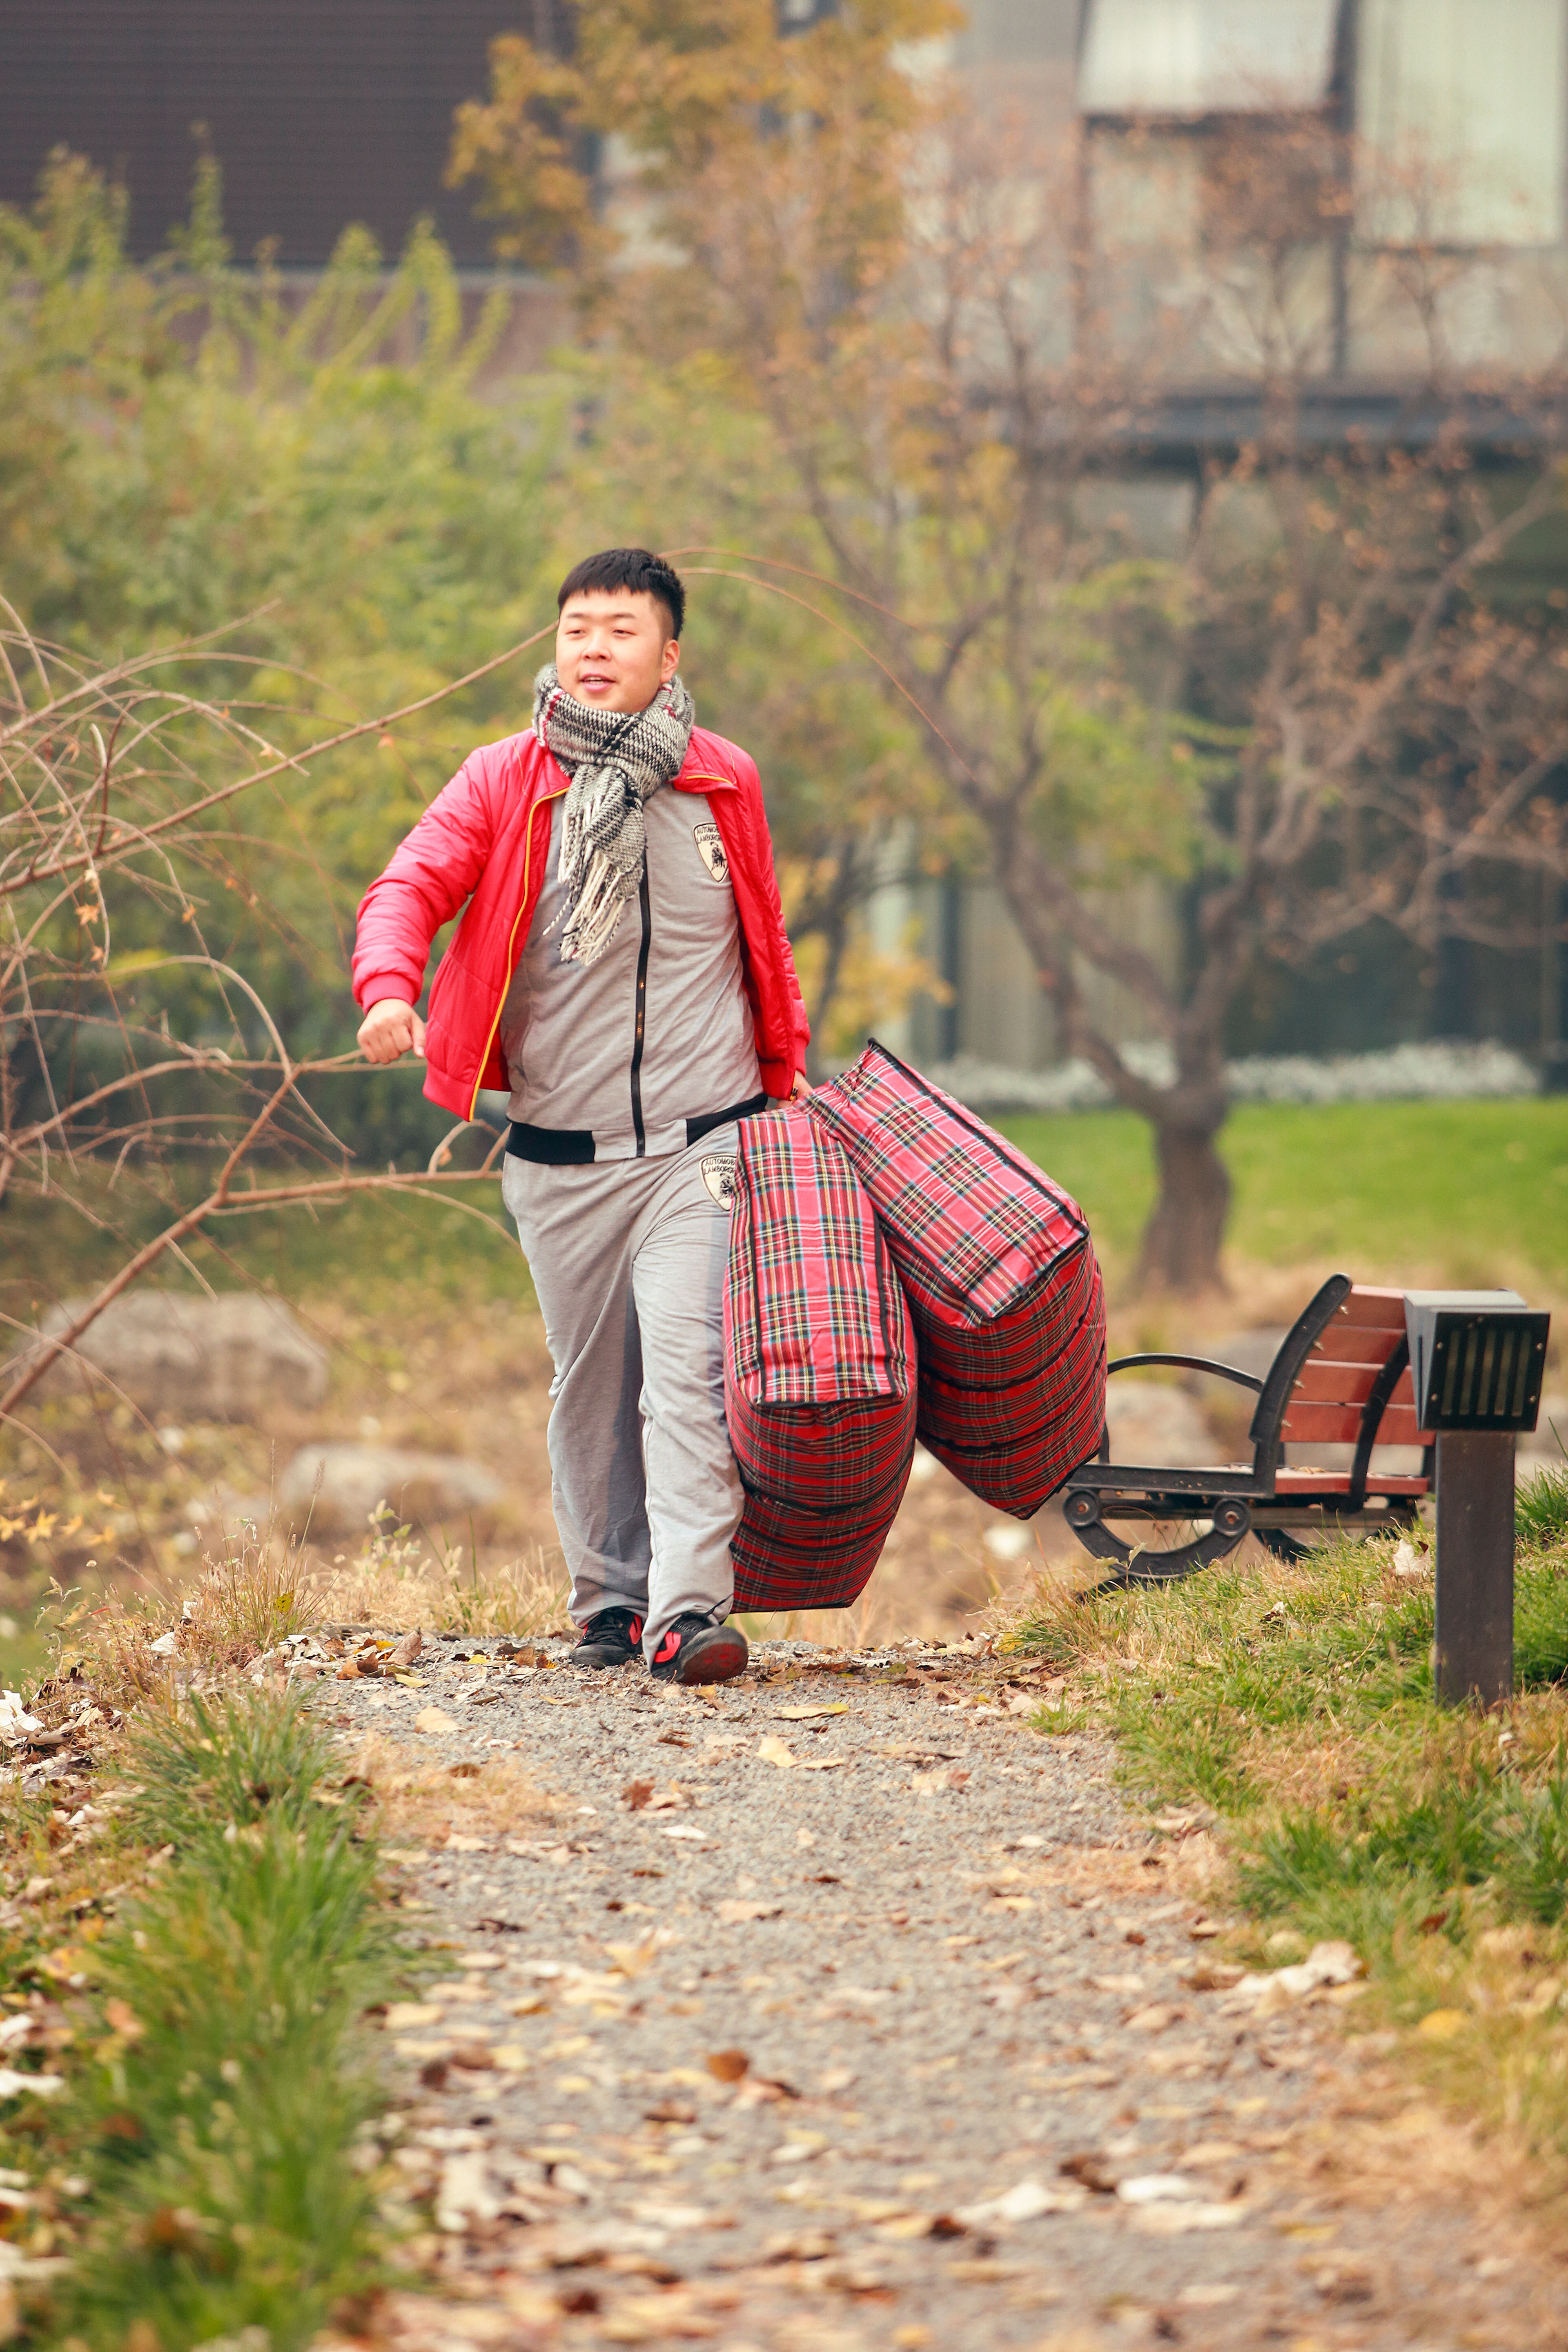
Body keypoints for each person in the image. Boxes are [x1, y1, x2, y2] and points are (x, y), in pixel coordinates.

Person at [352, 549, 809, 1684]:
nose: (593, 649)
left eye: (619, 630)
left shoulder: (724, 781)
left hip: (705, 1145)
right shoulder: (507, 780)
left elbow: (763, 936)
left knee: (689, 1376)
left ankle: (685, 1613)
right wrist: (389, 989)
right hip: (559, 1155)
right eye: (575, 630)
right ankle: (609, 1602)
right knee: (591, 1393)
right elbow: (409, 885)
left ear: (670, 653)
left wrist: (785, 1070)